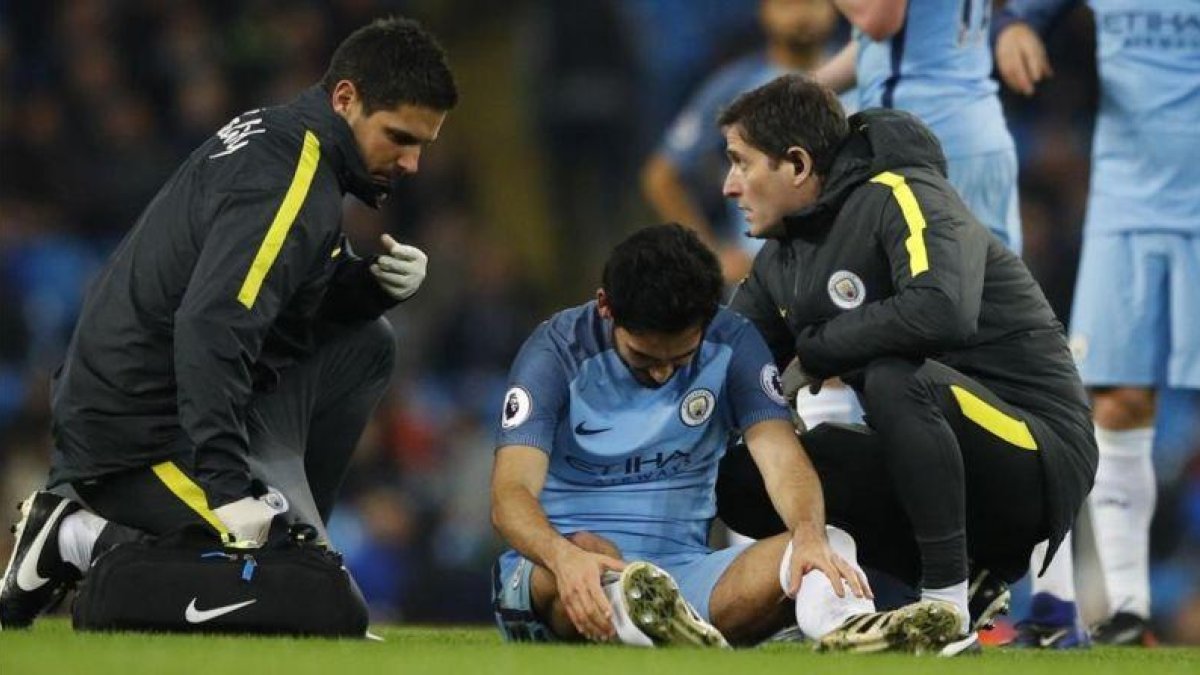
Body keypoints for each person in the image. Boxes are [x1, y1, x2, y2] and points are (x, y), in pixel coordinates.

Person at [0, 16, 458, 630]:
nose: (412, 164)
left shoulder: (291, 144)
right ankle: (74, 539)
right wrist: (224, 489)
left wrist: (364, 288)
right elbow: (211, 328)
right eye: (400, 138)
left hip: (160, 409)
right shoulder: (289, 177)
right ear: (346, 98)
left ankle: (292, 542)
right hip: (137, 439)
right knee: (318, 601)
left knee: (367, 342)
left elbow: (281, 307)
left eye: (422, 145)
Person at [714, 75, 1098, 654]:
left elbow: (942, 310)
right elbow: (726, 371)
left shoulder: (905, 193)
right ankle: (855, 603)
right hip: (930, 459)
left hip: (1034, 450)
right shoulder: (781, 261)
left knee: (897, 377)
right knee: (743, 478)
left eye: (741, 163)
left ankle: (946, 606)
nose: (728, 186)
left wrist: (816, 350)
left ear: (795, 164)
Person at [490, 223, 964, 652]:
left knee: (827, 542)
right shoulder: (555, 351)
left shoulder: (733, 342)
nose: (660, 373)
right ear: (605, 307)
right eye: (642, 357)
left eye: (678, 360)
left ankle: (851, 629)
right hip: (560, 571)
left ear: (708, 318)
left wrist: (807, 533)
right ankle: (644, 618)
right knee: (598, 554)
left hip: (685, 578)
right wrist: (562, 556)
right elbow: (509, 494)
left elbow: (781, 458)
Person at [993, 0, 1200, 647]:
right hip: (1122, 205)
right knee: (1115, 399)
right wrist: (1015, 30)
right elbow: (1012, 14)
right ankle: (1126, 611)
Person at [641, 0, 839, 285]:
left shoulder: (864, 76)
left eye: (812, 4)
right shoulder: (734, 85)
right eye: (787, 5)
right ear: (764, 11)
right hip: (763, 275)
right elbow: (661, 176)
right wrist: (711, 256)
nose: (801, 16)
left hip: (844, 265)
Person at [812, 0, 1022, 252]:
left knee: (931, 282)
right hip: (979, 135)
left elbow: (878, 20)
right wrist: (802, 88)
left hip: (925, 140)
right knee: (996, 286)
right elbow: (887, 44)